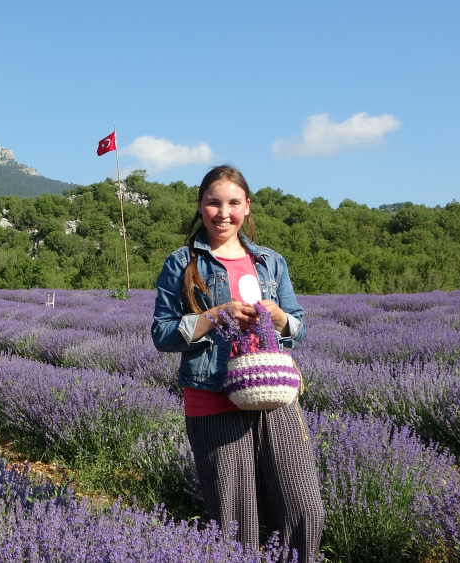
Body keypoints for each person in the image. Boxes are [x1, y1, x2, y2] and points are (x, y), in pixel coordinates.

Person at [151, 165, 325, 562]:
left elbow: (297, 327)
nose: (223, 212)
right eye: (214, 203)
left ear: (247, 207)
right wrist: (217, 314)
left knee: (305, 511)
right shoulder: (181, 264)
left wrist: (279, 318)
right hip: (213, 398)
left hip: (273, 393)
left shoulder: (270, 262)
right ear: (200, 206)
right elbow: (162, 335)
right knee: (236, 526)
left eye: (233, 203)